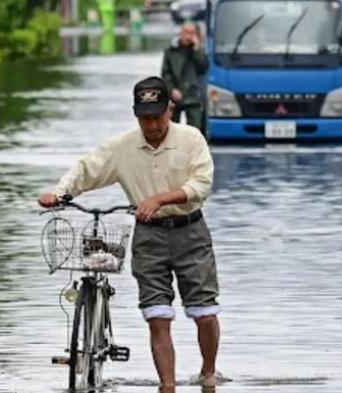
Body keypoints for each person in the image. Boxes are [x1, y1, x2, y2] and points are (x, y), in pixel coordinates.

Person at [38, 76, 220, 389]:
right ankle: (168, 386)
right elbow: (87, 169)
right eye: (145, 118)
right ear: (136, 116)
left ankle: (208, 372)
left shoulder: (191, 139)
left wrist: (160, 198)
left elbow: (202, 184)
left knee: (204, 312)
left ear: (170, 111)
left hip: (190, 232)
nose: (152, 126)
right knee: (157, 317)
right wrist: (59, 192)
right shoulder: (123, 147)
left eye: (158, 117)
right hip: (149, 237)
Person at [161, 23, 208, 135]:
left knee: (195, 131)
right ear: (181, 34)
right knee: (170, 131)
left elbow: (203, 68)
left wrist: (196, 49)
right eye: (186, 32)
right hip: (175, 95)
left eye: (192, 33)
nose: (188, 36)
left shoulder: (198, 52)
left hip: (193, 95)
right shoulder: (171, 52)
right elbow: (165, 74)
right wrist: (172, 89)